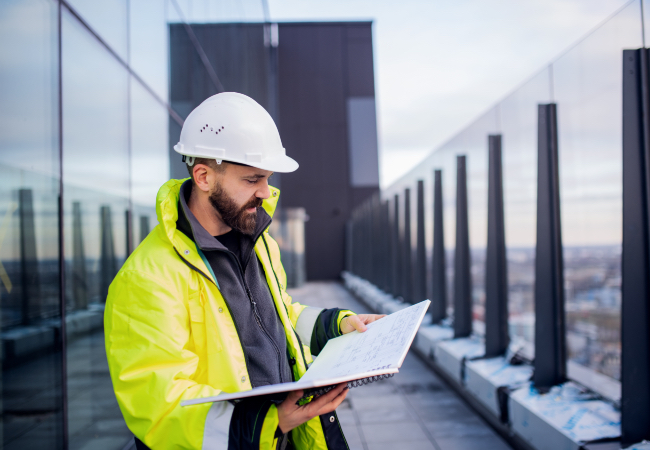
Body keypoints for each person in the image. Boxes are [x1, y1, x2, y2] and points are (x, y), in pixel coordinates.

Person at [104, 92, 384, 450]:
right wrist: (270, 423)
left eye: (266, 179)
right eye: (252, 180)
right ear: (203, 176)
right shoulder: (146, 279)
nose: (266, 193)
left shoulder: (258, 242)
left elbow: (280, 317)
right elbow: (159, 406)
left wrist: (340, 324)